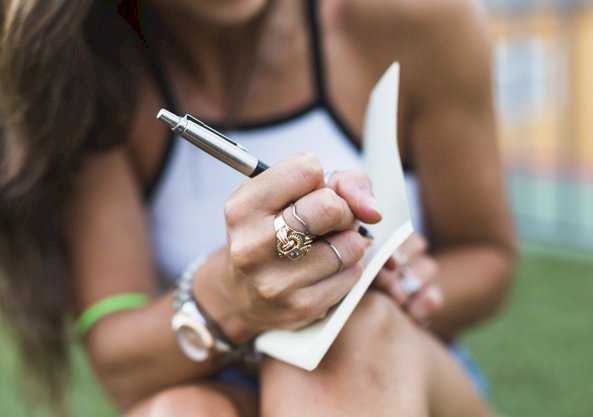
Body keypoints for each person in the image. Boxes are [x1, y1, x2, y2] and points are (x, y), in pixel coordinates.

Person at [0, 0, 516, 416]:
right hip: (221, 383)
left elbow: (486, 255)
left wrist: (385, 286)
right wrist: (233, 295)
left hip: (401, 370)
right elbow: (119, 360)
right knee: (178, 412)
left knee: (346, 340)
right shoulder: (98, 75)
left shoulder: (412, 17)